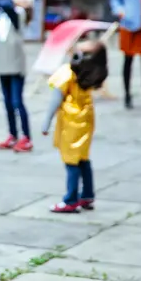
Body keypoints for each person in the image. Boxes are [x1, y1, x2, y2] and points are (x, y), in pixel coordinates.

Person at [42, 41, 108, 213]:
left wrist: (46, 122)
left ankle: (71, 199)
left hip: (71, 120)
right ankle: (87, 195)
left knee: (71, 161)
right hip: (86, 118)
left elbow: (55, 99)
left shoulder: (67, 72)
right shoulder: (90, 73)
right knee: (83, 158)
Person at [0, 0, 32, 152]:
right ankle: (13, 134)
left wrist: (11, 0)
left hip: (15, 65)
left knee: (17, 102)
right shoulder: (1, 16)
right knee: (7, 102)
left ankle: (26, 137)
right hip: (3, 63)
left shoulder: (18, 15)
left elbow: (7, 6)